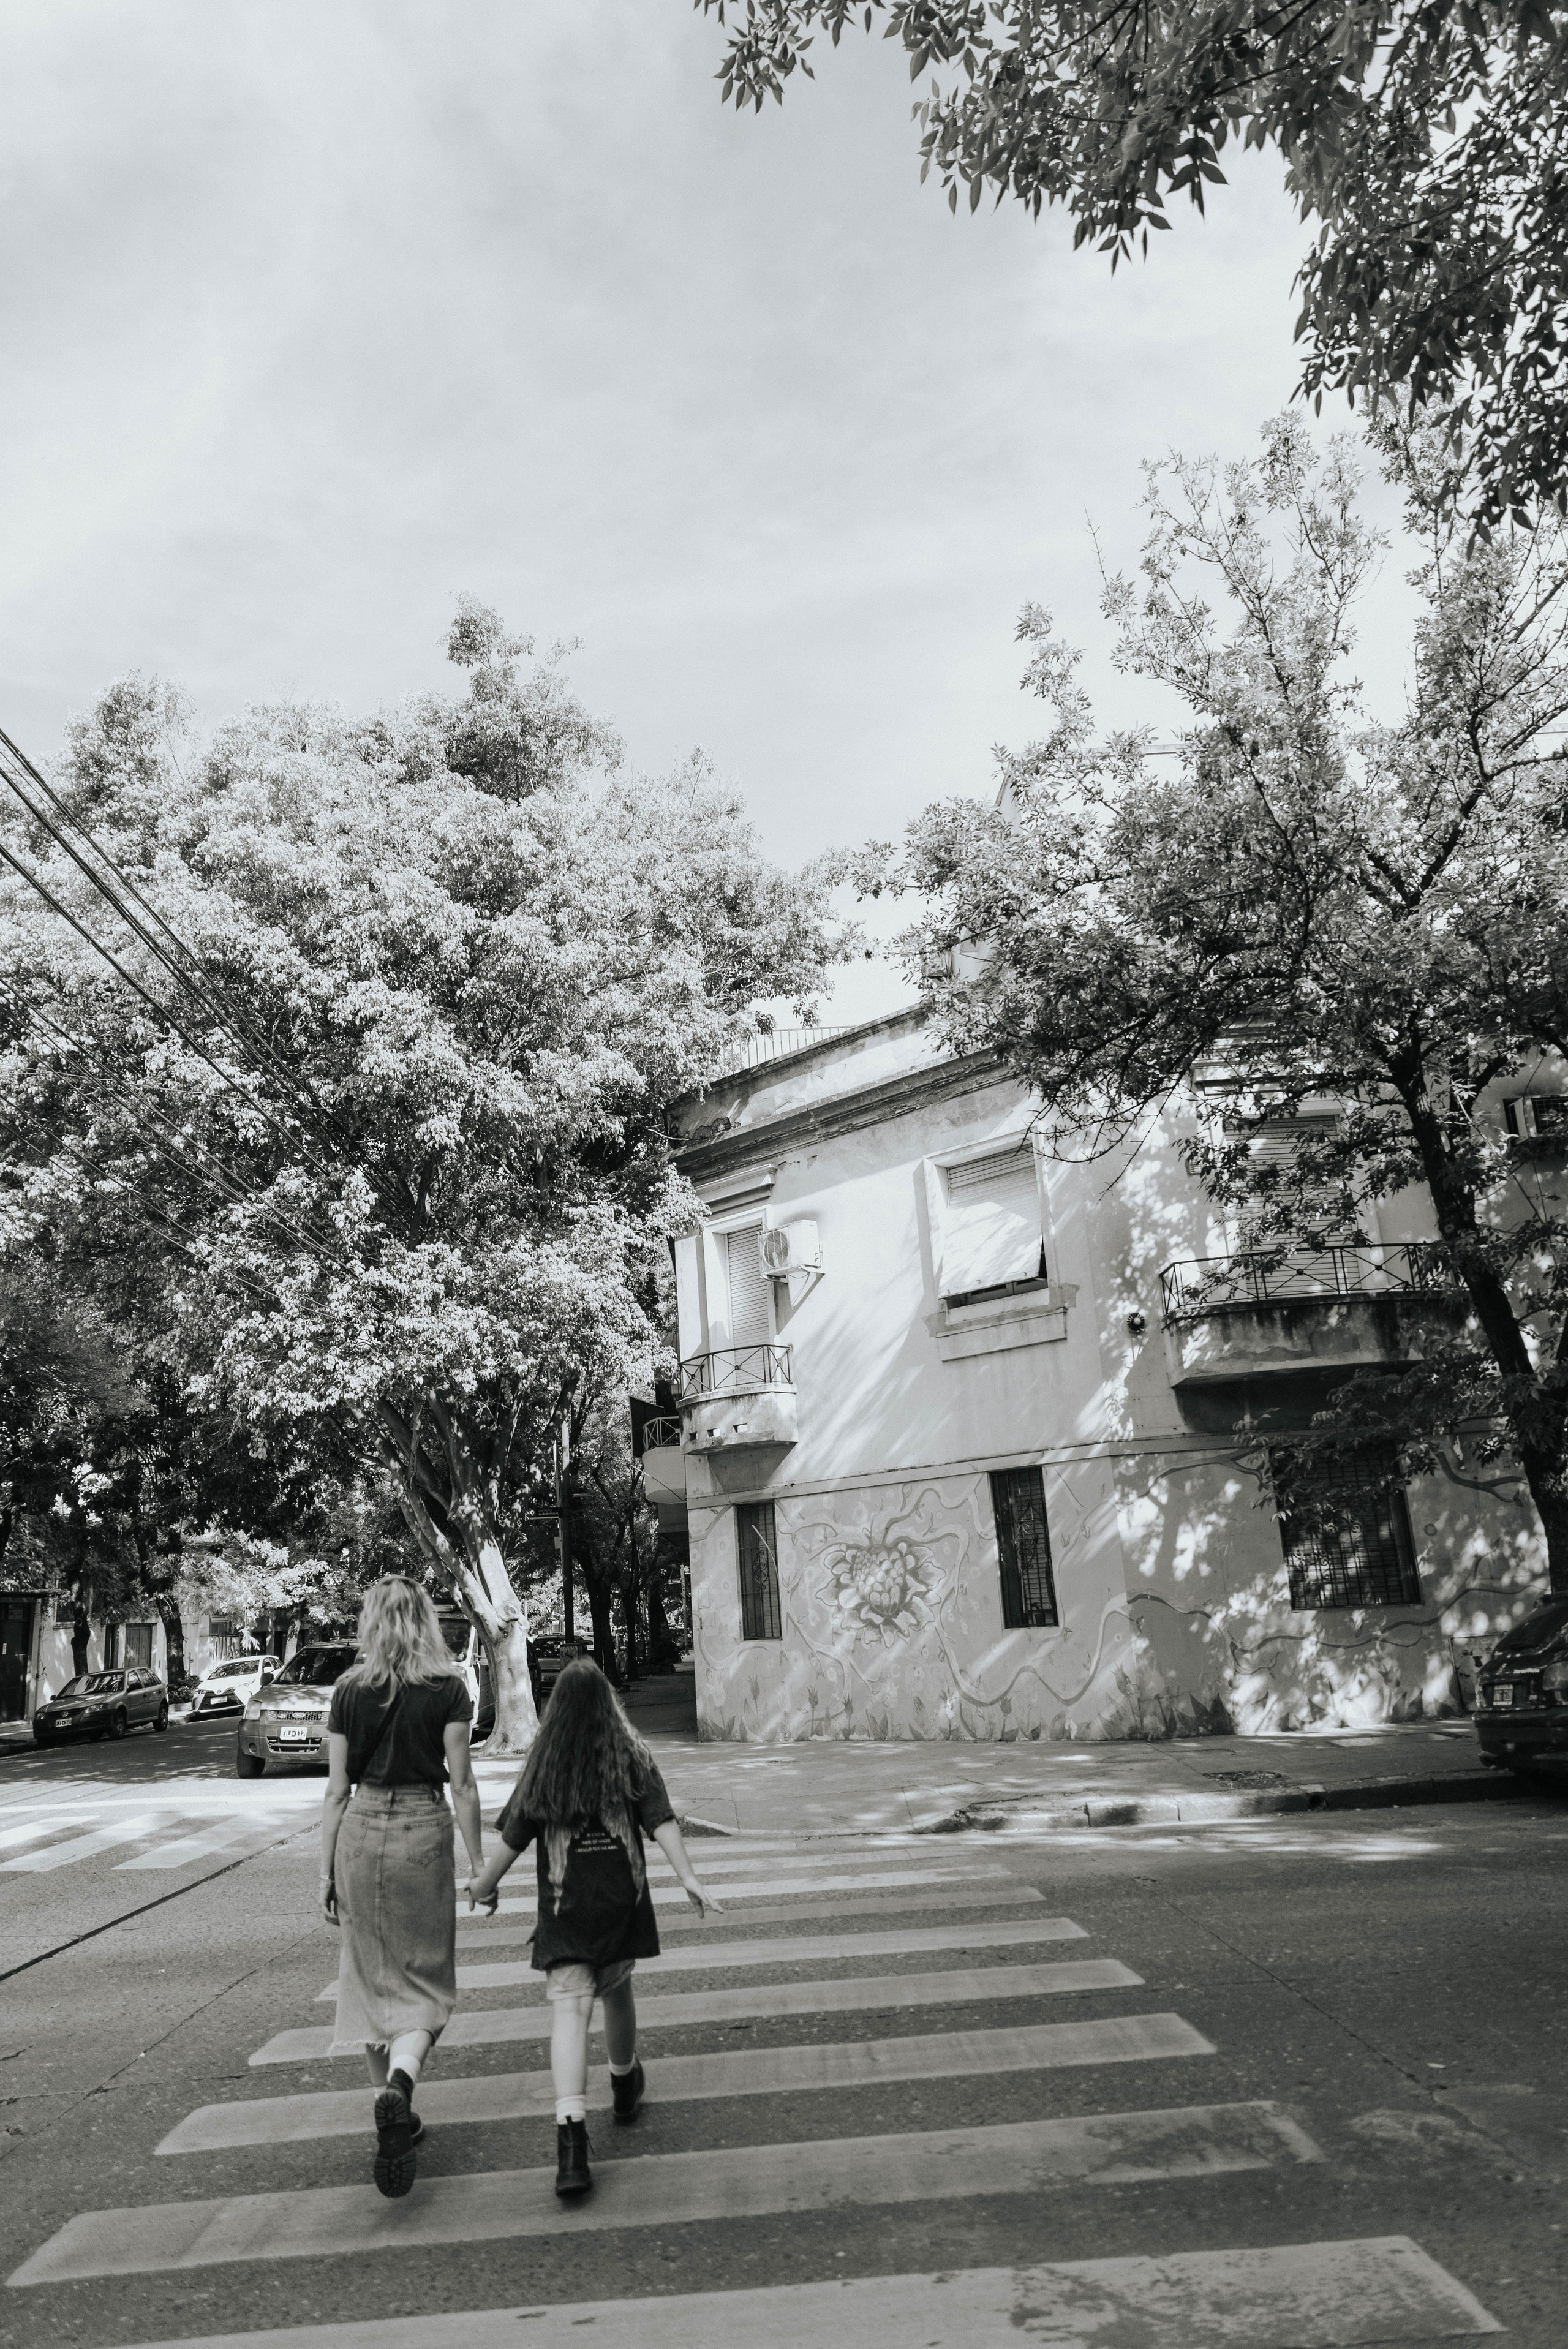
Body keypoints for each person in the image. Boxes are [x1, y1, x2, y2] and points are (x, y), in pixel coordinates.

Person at [467, 1656, 721, 2199]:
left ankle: (572, 2143)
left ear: (556, 1711)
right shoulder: (631, 1755)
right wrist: (689, 1878)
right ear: (609, 1705)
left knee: (570, 2010)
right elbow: (661, 1820)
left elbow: (513, 1838)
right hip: (618, 1903)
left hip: (566, 1910)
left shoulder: (543, 1764)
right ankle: (625, 2079)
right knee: (618, 1989)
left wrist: (483, 1884)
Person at [320, 1576, 483, 2199]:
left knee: (366, 1975)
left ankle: (391, 2105)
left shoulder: (346, 1691)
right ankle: (402, 2086)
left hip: (359, 1833)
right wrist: (477, 1863)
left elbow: (336, 1789)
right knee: (426, 1978)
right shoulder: (449, 1687)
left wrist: (323, 1872)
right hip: (424, 1830)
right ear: (426, 1620)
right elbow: (463, 1784)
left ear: (370, 1622)